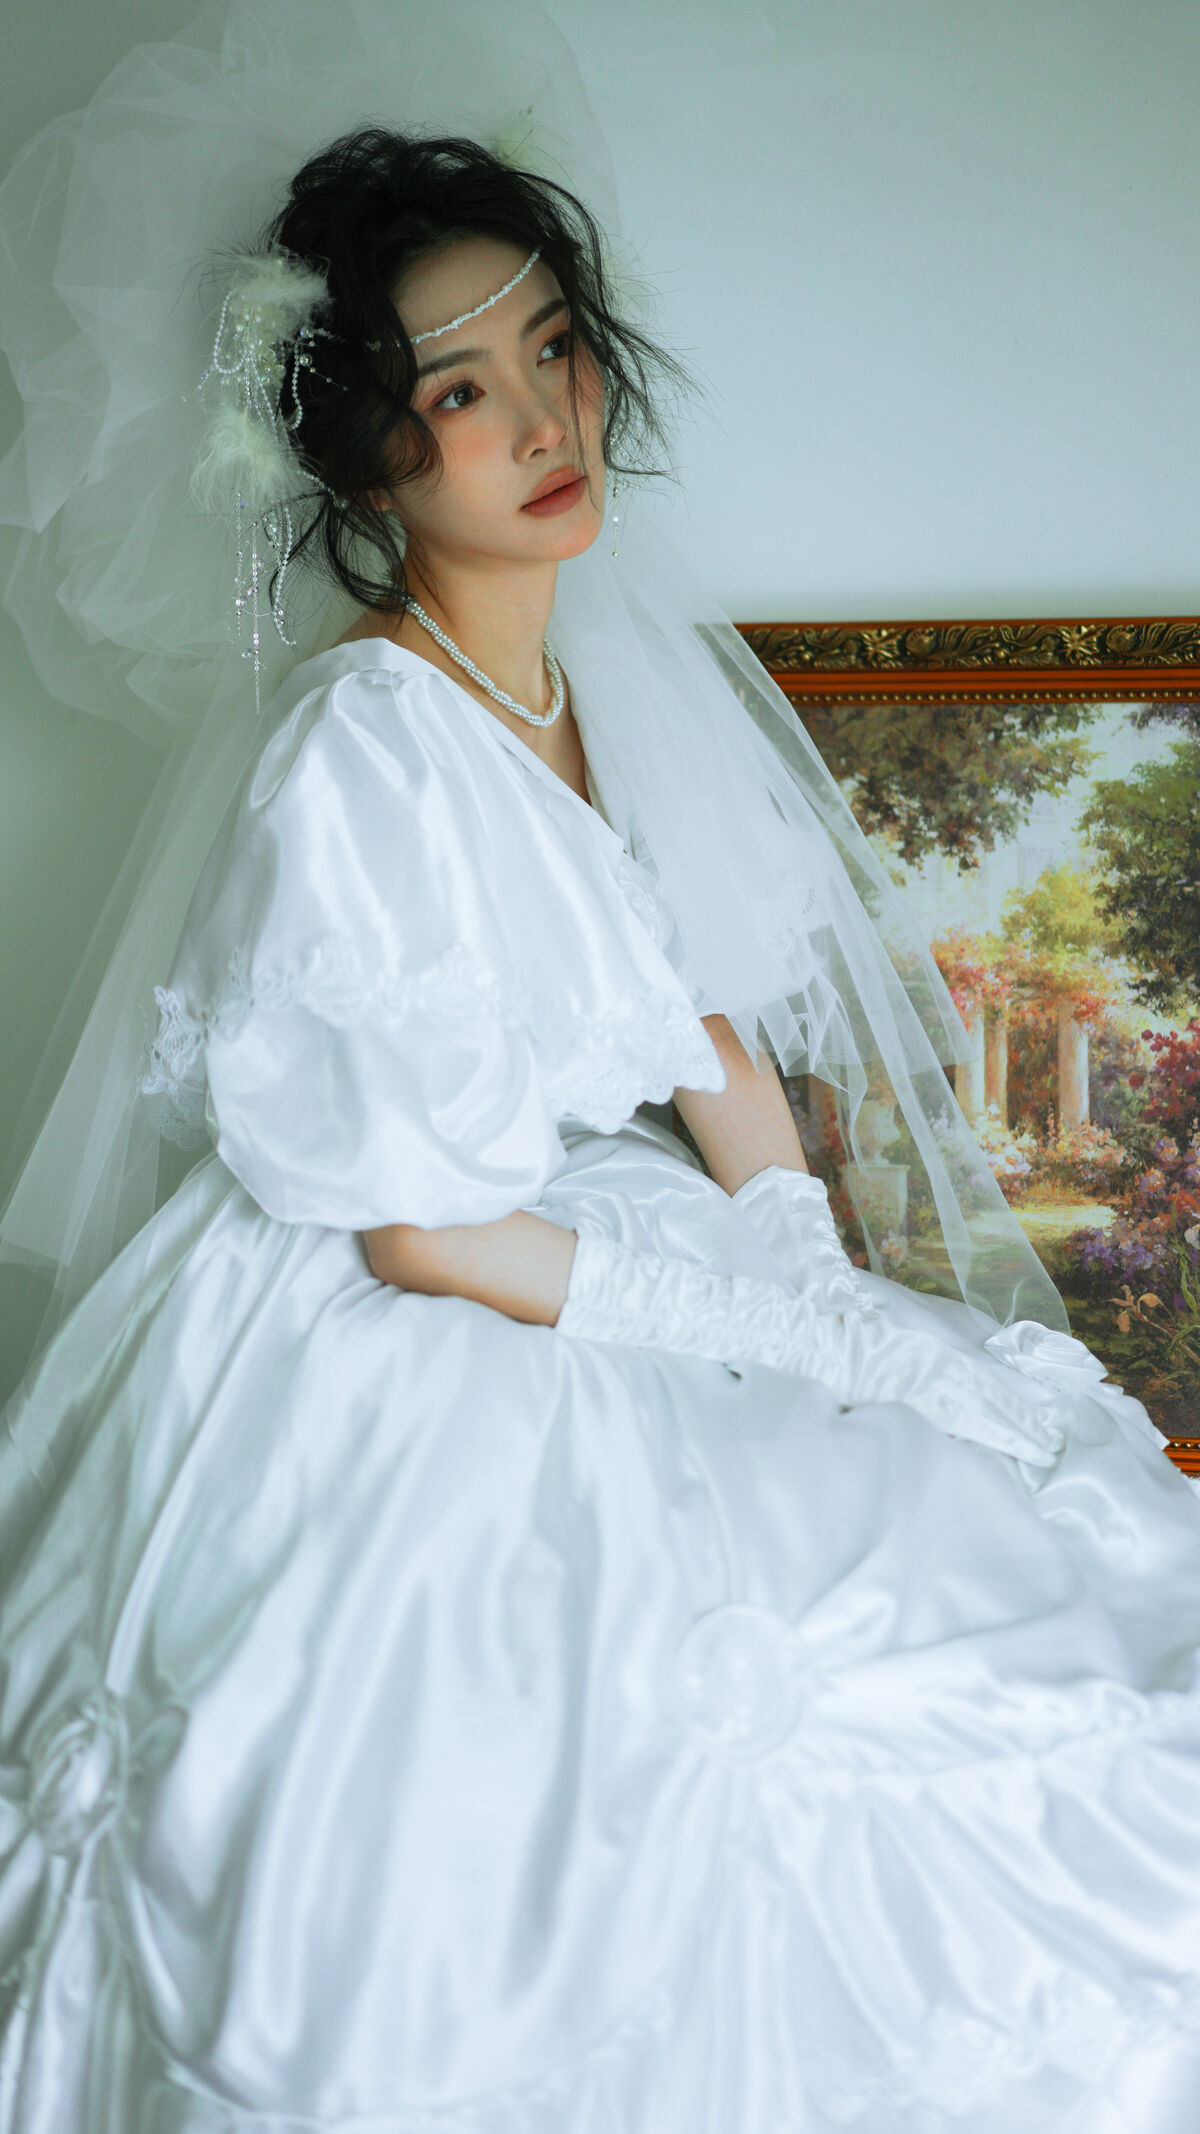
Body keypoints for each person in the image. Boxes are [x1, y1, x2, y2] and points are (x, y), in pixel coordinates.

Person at [3, 15, 1200, 2133]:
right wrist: (771, 1318)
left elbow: (689, 1022)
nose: (546, 417)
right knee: (560, 1778)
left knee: (999, 1553)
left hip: (576, 1226)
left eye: (552, 348)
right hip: (406, 1298)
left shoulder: (568, 673)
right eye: (462, 389)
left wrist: (812, 1263)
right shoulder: (360, 740)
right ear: (366, 457)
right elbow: (412, 1225)